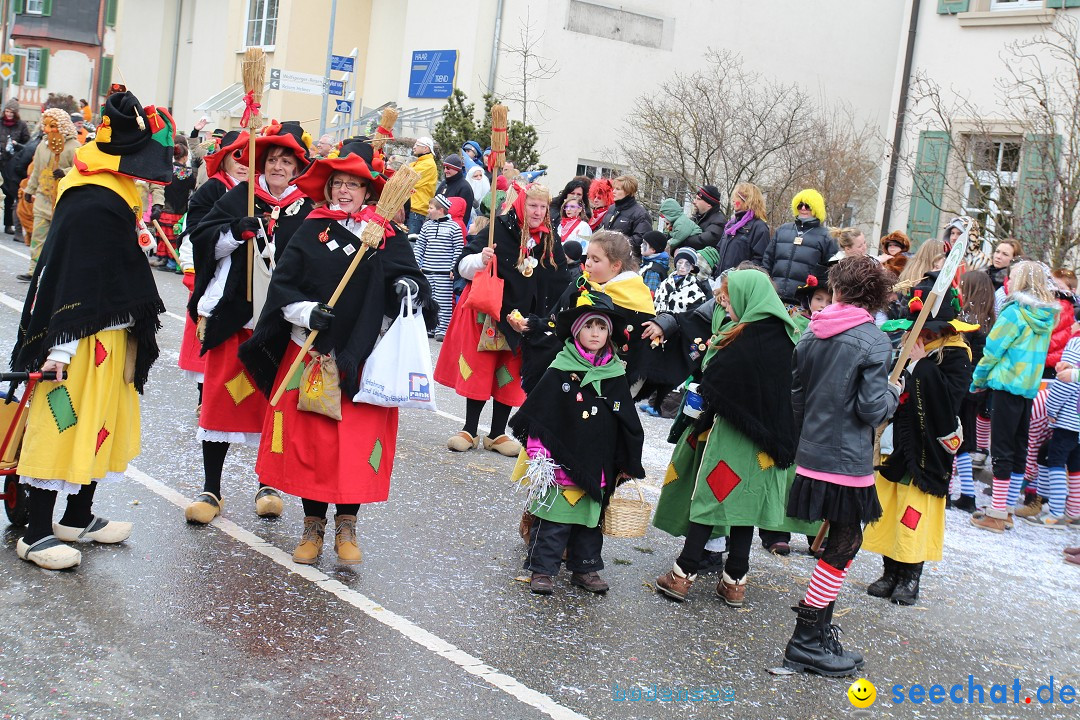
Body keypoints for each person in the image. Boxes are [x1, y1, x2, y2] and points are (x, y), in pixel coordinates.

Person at [239, 139, 435, 564]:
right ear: (328, 189)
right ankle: (312, 526)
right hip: (313, 352)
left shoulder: (387, 234)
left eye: (354, 184)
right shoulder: (311, 228)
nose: (344, 191)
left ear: (369, 192)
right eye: (338, 183)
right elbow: (283, 285)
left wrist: (408, 289)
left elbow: (413, 279)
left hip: (365, 356)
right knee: (316, 444)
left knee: (354, 444)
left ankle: (348, 525)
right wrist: (308, 312)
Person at [10, 92, 172, 570]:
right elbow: (73, 280)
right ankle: (37, 532)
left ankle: (77, 516)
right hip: (78, 343)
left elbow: (110, 266)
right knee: (62, 426)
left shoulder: (113, 188)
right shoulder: (91, 198)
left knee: (102, 426)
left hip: (112, 336)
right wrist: (59, 348)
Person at [654, 269, 819, 605]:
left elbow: (716, 384)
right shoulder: (788, 339)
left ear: (747, 298)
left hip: (730, 435)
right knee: (744, 506)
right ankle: (734, 582)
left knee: (711, 498)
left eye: (730, 300)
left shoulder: (741, 340)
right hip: (767, 447)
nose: (726, 306)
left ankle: (682, 574)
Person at [184, 123, 313, 525]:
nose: (278, 167)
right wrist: (233, 233)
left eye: (285, 161)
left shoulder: (306, 208)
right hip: (236, 314)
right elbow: (202, 240)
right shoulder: (241, 196)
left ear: (296, 169)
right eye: (272, 159)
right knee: (222, 398)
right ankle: (211, 488)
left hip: (279, 321)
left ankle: (267, 484)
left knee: (271, 405)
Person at [782, 255, 900, 676]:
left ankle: (814, 633)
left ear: (837, 288)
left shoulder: (811, 333)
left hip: (812, 452)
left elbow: (797, 399)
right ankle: (807, 638)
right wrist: (893, 392)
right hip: (846, 461)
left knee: (840, 543)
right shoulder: (873, 340)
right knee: (845, 544)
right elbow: (872, 409)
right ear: (876, 296)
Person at [512, 291, 645, 594]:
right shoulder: (560, 368)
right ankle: (543, 569)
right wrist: (539, 452)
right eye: (589, 326)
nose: (595, 333)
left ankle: (586, 569)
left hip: (597, 464)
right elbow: (540, 415)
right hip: (560, 463)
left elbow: (627, 420)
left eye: (601, 328)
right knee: (554, 519)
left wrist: (626, 460)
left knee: (589, 521)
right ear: (576, 331)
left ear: (609, 334)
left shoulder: (614, 374)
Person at [433, 184, 569, 455]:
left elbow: (558, 275)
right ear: (521, 204)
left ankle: (497, 433)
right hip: (490, 314)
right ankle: (470, 429)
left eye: (543, 207)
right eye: (533, 205)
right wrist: (480, 260)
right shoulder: (499, 229)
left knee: (509, 372)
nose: (538, 212)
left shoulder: (549, 238)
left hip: (522, 319)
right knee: (481, 369)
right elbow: (461, 266)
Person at [867, 274, 976, 605]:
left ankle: (910, 575)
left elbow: (948, 401)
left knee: (914, 512)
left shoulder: (956, 355)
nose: (922, 334)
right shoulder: (905, 346)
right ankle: (890, 571)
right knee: (890, 508)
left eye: (929, 329)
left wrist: (920, 364)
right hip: (897, 443)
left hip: (929, 446)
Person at [970, 261, 1058, 532]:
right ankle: (1006, 508)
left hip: (1006, 386)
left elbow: (993, 350)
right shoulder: (1045, 316)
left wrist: (978, 379)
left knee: (1001, 449)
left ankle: (996, 513)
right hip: (1029, 389)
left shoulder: (1014, 313)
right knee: (1018, 447)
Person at [952, 270, 997, 513]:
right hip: (977, 388)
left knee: (953, 436)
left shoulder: (967, 319)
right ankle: (967, 494)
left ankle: (949, 491)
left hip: (963, 383)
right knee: (965, 440)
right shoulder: (990, 318)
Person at [17, 108, 79, 281]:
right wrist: (30, 189)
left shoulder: (74, 147)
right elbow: (36, 170)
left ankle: (56, 272)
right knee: (38, 235)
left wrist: (65, 171)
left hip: (62, 201)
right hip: (42, 199)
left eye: (52, 125)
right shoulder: (42, 146)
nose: (47, 129)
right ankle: (33, 269)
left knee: (59, 239)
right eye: (45, 125)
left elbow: (80, 170)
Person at [1038, 322, 1080, 527]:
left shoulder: (1076, 344)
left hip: (1069, 418)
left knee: (1055, 460)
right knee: (1075, 465)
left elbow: (1065, 381)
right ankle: (1074, 511)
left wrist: (1051, 409)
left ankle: (1055, 511)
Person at [764, 189, 837, 304]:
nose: (803, 208)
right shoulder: (783, 230)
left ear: (816, 208)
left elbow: (831, 270)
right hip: (775, 297)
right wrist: (767, 283)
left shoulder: (826, 236)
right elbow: (768, 260)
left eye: (808, 206)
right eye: (800, 205)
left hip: (803, 300)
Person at [414, 193, 461, 339]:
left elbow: (458, 250)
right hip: (427, 270)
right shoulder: (427, 226)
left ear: (440, 210)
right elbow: (420, 245)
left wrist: (454, 268)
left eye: (431, 208)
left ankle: (442, 328)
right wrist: (416, 263)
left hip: (444, 272)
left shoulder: (454, 227)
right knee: (428, 299)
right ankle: (429, 326)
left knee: (443, 301)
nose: (428, 211)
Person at [148, 135, 197, 271]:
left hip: (166, 206)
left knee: (165, 236)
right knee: (175, 237)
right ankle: (173, 261)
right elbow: (193, 187)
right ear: (186, 157)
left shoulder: (167, 170)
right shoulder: (190, 173)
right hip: (181, 209)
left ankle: (164, 259)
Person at [716, 182, 770, 273]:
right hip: (721, 281)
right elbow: (719, 251)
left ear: (747, 200)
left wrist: (738, 274)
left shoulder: (759, 227)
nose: (733, 200)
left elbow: (760, 261)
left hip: (740, 283)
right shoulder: (730, 225)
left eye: (736, 197)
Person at [600, 175, 652, 257]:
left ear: (628, 192)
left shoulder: (640, 214)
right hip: (607, 257)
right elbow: (602, 229)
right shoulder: (611, 208)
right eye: (614, 188)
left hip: (627, 261)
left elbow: (640, 241)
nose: (613, 191)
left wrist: (615, 243)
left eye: (618, 189)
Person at [0, 98, 30, 235]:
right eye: (7, 111)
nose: (9, 114)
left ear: (16, 113)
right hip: (1, 161)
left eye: (11, 112)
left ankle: (9, 224)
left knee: (10, 194)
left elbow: (27, 144)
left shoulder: (21, 125)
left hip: (13, 164)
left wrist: (16, 145)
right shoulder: (0, 123)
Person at [407, 136, 437, 235]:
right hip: (412, 208)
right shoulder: (420, 162)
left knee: (410, 244)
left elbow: (408, 179)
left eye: (417, 145)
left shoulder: (428, 164)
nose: (414, 147)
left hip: (417, 211)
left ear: (426, 148)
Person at [684, 185, 726, 252]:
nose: (694, 202)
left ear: (709, 203)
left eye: (698, 199)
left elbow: (702, 242)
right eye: (695, 198)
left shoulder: (719, 222)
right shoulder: (696, 218)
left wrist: (681, 239)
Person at [639, 230, 669, 296]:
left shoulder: (653, 272)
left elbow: (649, 296)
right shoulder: (648, 263)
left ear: (653, 250)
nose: (641, 245)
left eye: (644, 244)